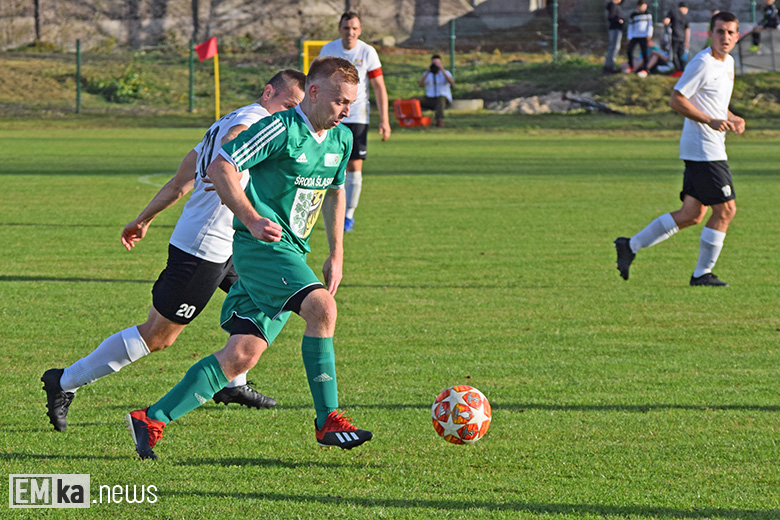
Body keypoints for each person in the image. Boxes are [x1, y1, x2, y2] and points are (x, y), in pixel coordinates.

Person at [125, 56, 373, 460]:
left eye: (351, 104)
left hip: (293, 251)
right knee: (322, 308)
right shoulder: (279, 128)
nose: (346, 111)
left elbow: (334, 190)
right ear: (313, 92)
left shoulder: (340, 139)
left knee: (242, 353)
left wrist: (337, 254)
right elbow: (221, 166)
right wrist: (251, 218)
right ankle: (328, 418)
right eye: (339, 101)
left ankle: (152, 418)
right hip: (260, 251)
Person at [41, 70, 306, 432]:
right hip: (203, 247)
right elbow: (234, 139)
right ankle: (64, 380)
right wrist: (225, 164)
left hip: (235, 242)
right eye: (288, 105)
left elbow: (180, 182)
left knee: (271, 301)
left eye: (296, 110)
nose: (289, 114)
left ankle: (232, 384)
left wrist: (143, 219)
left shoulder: (230, 119)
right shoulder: (250, 121)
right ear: (268, 91)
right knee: (158, 336)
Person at [614, 11, 744, 287]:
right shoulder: (702, 63)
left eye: (730, 32)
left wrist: (731, 116)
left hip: (707, 148)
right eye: (720, 31)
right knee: (726, 210)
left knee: (691, 215)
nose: (725, 37)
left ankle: (630, 246)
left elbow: (713, 103)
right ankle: (701, 274)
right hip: (704, 150)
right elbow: (677, 100)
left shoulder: (728, 62)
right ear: (710, 34)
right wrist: (710, 120)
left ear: (737, 35)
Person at [318, 11, 391, 233]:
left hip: (357, 116)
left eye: (354, 28)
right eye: (346, 28)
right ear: (340, 29)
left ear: (360, 30)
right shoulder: (328, 50)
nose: (350, 32)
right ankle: (319, 210)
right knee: (325, 163)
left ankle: (348, 215)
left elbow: (379, 86)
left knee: (354, 166)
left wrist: (385, 120)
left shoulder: (367, 52)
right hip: (329, 116)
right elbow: (315, 81)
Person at [418, 54, 454, 127]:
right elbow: (420, 85)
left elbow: (452, 83)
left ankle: (439, 120)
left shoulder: (446, 73)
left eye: (437, 63)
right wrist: (428, 71)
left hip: (443, 98)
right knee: (415, 100)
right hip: (430, 98)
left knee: (441, 99)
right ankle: (414, 119)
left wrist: (442, 70)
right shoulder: (427, 74)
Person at [626, 0, 653, 74]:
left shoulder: (648, 14)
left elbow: (650, 26)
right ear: (638, 6)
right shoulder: (633, 15)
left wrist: (649, 35)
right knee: (629, 51)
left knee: (644, 52)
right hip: (635, 36)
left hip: (643, 36)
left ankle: (645, 68)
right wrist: (629, 36)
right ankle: (631, 66)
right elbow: (630, 27)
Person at [663, 1, 691, 74]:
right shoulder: (685, 17)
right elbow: (687, 30)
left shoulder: (673, 12)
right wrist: (687, 41)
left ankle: (678, 71)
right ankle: (682, 71)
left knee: (674, 55)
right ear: (685, 8)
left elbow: (666, 21)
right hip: (682, 38)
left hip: (674, 38)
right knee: (681, 55)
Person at [604, 0, 626, 74]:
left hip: (617, 29)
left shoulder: (617, 6)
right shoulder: (612, 5)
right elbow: (611, 17)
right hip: (615, 28)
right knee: (614, 47)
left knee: (615, 47)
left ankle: (610, 66)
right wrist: (619, 20)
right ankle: (609, 67)